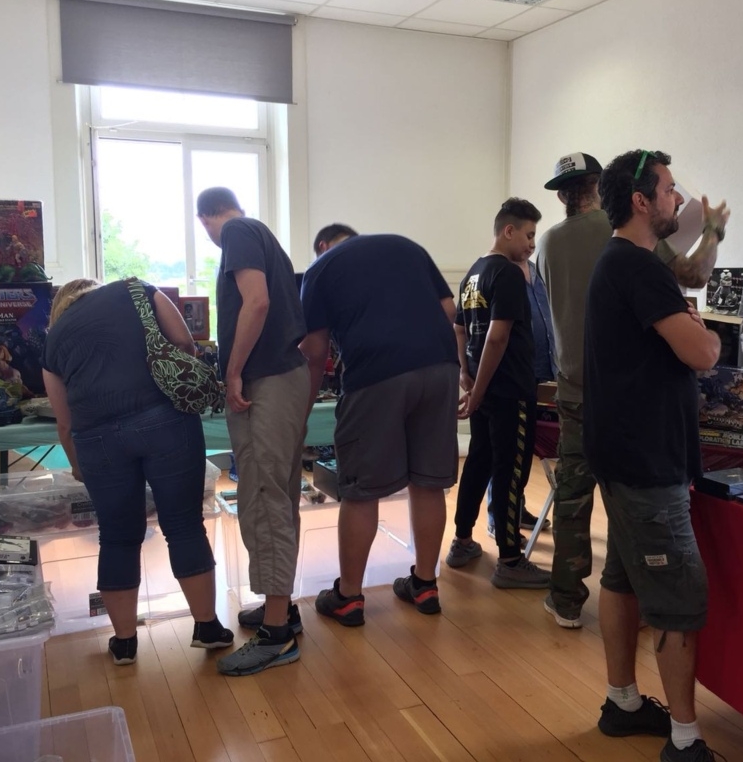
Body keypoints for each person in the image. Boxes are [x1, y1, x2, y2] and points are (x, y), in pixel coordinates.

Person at [536, 152, 727, 630]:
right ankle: (646, 602)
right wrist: (713, 231)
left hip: (572, 382)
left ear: (562, 195)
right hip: (625, 391)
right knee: (635, 506)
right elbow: (692, 276)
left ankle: (566, 598)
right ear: (602, 188)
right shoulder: (624, 239)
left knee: (572, 494)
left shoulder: (548, 242)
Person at [584, 149, 727, 761]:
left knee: (622, 578)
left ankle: (622, 703)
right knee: (677, 600)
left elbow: (681, 307)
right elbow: (703, 354)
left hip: (622, 455)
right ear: (641, 201)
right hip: (646, 463)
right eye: (669, 189)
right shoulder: (638, 268)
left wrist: (689, 319)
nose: (678, 198)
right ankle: (686, 741)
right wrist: (705, 332)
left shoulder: (620, 262)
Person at [42, 278, 233, 666]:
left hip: (97, 441)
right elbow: (184, 343)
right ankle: (207, 627)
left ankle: (125, 643)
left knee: (116, 536)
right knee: (184, 524)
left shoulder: (54, 339)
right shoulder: (136, 290)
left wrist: (78, 466)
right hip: (166, 420)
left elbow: (64, 422)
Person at [299, 230, 459, 626]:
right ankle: (425, 584)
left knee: (360, 490)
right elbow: (448, 309)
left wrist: (301, 412)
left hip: (376, 376)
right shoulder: (406, 246)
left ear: (323, 246)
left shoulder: (319, 270)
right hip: (440, 367)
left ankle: (349, 597)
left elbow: (314, 352)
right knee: (427, 482)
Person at [196, 187, 311, 676]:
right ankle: (279, 608)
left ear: (206, 217)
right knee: (277, 494)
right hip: (284, 376)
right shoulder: (262, 236)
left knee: (263, 497)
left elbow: (257, 303)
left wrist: (233, 371)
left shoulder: (238, 231)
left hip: (265, 380)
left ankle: (277, 634)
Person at [448, 198, 550, 589]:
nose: (531, 245)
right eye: (528, 235)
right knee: (510, 472)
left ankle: (462, 540)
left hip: (485, 387)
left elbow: (460, 330)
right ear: (508, 231)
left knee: (479, 461)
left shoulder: (473, 273)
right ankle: (509, 560)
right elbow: (497, 337)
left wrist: (466, 374)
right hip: (509, 390)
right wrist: (478, 388)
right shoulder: (507, 273)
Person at [485, 257, 555, 541]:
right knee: (507, 452)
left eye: (533, 237)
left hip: (542, 370)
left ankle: (517, 508)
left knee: (523, 454)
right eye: (527, 236)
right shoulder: (500, 273)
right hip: (515, 373)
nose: (530, 242)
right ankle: (498, 517)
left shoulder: (536, 271)